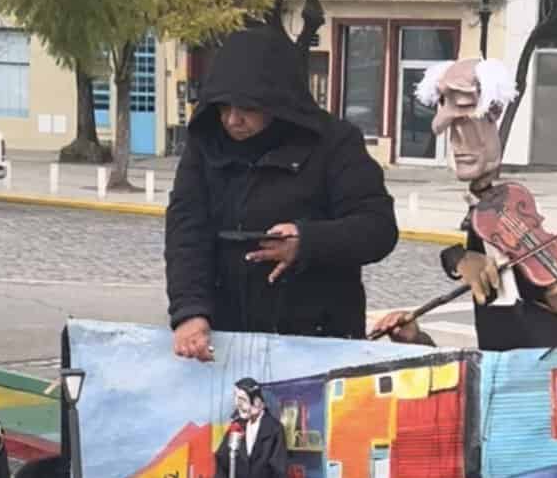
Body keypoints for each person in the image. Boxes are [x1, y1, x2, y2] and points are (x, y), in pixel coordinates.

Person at [373, 58, 557, 362]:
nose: (460, 145)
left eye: (473, 132)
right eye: (454, 135)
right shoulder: (488, 227)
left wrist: (555, 295)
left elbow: (549, 265)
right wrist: (419, 336)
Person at [166, 23, 398, 358]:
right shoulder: (205, 144)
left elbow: (378, 228)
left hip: (317, 335)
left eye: (247, 108)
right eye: (223, 107)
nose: (232, 120)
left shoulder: (335, 143)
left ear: (277, 103)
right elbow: (186, 230)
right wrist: (189, 312)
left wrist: (308, 241)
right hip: (226, 334)